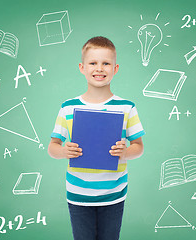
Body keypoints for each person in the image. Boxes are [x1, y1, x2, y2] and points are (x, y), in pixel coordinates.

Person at [48, 36, 145, 240]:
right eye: (93, 63)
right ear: (82, 67)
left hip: (114, 193)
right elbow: (53, 147)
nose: (99, 69)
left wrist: (126, 152)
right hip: (78, 194)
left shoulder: (127, 107)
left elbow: (138, 146)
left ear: (115, 68)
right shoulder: (68, 107)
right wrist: (64, 151)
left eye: (106, 63)